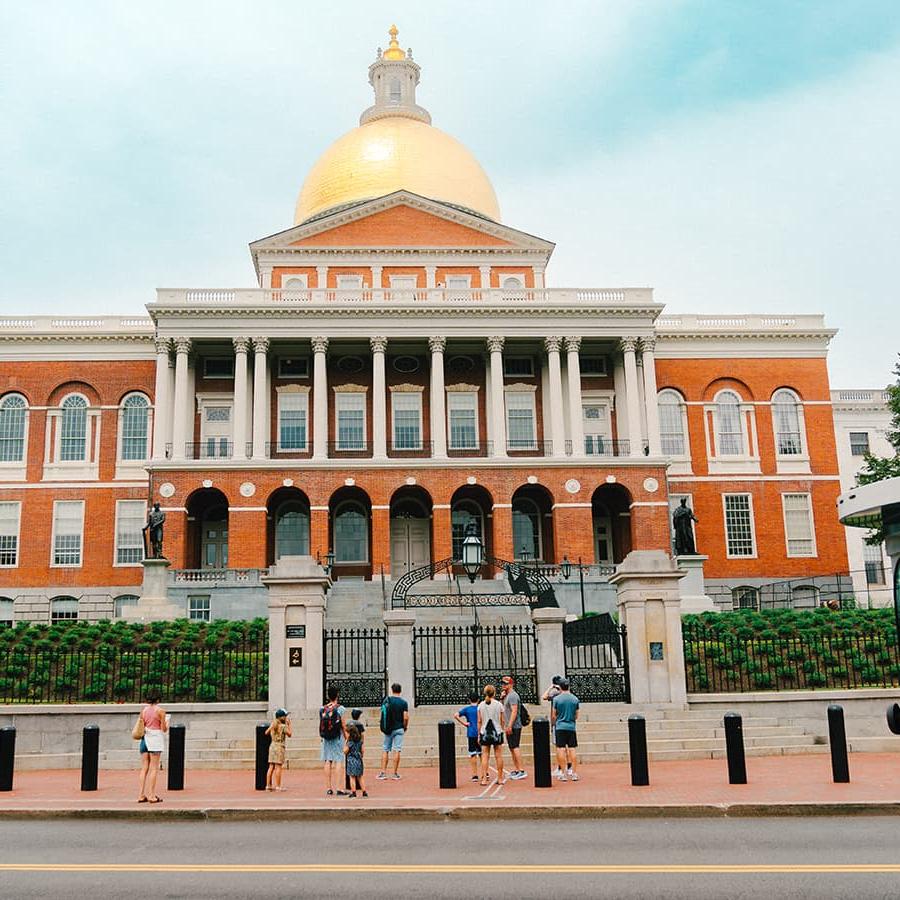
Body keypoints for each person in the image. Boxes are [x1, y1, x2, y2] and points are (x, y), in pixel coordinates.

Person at [137, 693, 169, 803]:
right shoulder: (160, 711)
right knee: (154, 767)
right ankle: (151, 795)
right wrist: (167, 723)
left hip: (144, 738)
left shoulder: (143, 711)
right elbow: (163, 729)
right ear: (158, 700)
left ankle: (141, 794)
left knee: (144, 767)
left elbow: (141, 724)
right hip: (155, 739)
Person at [377, 682, 409, 780]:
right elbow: (406, 717)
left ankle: (383, 772)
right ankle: (395, 773)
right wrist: (405, 726)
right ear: (400, 690)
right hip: (399, 728)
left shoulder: (388, 701)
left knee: (385, 749)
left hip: (388, 728)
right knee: (397, 749)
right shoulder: (403, 703)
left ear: (392, 690)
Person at [477, 684, 506, 786]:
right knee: (498, 755)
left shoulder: (480, 705)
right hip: (497, 731)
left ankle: (484, 778)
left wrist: (479, 734)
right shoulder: (499, 704)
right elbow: (502, 719)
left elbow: (479, 721)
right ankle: (500, 778)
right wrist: (501, 729)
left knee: (485, 755)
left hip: (484, 731)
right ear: (494, 693)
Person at [551, 678, 580, 782]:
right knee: (572, 749)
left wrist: (556, 721)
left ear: (560, 687)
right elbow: (576, 715)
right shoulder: (575, 699)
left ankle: (563, 773)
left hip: (560, 726)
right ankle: (574, 772)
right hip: (571, 726)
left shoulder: (557, 699)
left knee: (561, 749)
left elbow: (554, 715)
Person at [319, 686, 346, 796]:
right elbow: (343, 725)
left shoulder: (323, 709)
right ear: (337, 695)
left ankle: (328, 788)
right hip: (337, 737)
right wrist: (347, 737)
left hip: (326, 738)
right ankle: (339, 788)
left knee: (327, 760)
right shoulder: (340, 709)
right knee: (338, 760)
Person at [501, 675, 527, 780]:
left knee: (515, 747)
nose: (503, 685)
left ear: (511, 684)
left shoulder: (513, 696)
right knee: (512, 747)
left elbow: (514, 711)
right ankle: (517, 769)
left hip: (514, 725)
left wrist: (510, 725)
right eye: (502, 683)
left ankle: (521, 770)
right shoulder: (507, 695)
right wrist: (502, 698)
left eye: (505, 683)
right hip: (509, 725)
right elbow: (504, 709)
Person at [453, 690, 481, 782]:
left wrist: (464, 723)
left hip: (471, 733)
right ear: (478, 700)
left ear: (469, 700)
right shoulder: (480, 708)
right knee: (482, 754)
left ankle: (474, 774)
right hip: (480, 733)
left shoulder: (467, 709)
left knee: (472, 754)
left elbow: (456, 715)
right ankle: (485, 772)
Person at [542, 674, 565, 775]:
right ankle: (568, 767)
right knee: (567, 747)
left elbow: (544, 696)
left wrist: (551, 687)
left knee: (559, 747)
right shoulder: (565, 693)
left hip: (557, 722)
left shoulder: (555, 693)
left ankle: (560, 768)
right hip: (566, 721)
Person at [265, 708, 292, 791]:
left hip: (272, 745)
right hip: (279, 746)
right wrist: (289, 724)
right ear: (281, 717)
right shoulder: (283, 726)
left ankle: (268, 785)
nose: (286, 717)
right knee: (278, 767)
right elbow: (290, 734)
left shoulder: (273, 724)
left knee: (271, 767)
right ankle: (278, 786)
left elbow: (266, 732)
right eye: (285, 716)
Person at [344, 722, 367, 797]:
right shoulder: (360, 741)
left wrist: (345, 742)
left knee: (352, 777)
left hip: (351, 761)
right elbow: (363, 750)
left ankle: (353, 792)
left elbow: (345, 751)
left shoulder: (350, 742)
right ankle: (364, 791)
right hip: (359, 760)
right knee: (360, 777)